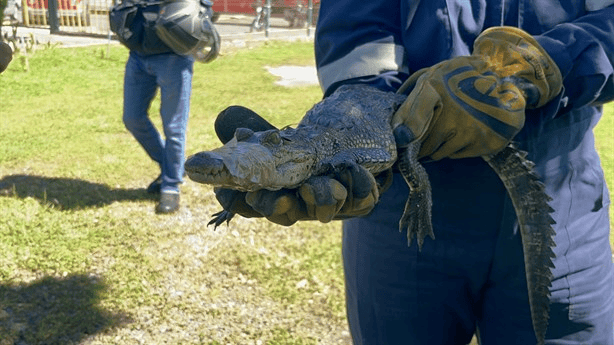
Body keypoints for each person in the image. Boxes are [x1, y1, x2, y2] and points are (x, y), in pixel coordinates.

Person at [214, 1, 614, 344]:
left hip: (561, 196)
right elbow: (357, 38)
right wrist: (376, 106)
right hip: (398, 196)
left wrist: (540, 66)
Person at [118, 0, 219, 214]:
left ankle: (171, 186)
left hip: (174, 56)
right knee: (132, 118)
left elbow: (204, 8)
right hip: (138, 53)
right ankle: (170, 168)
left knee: (174, 127)